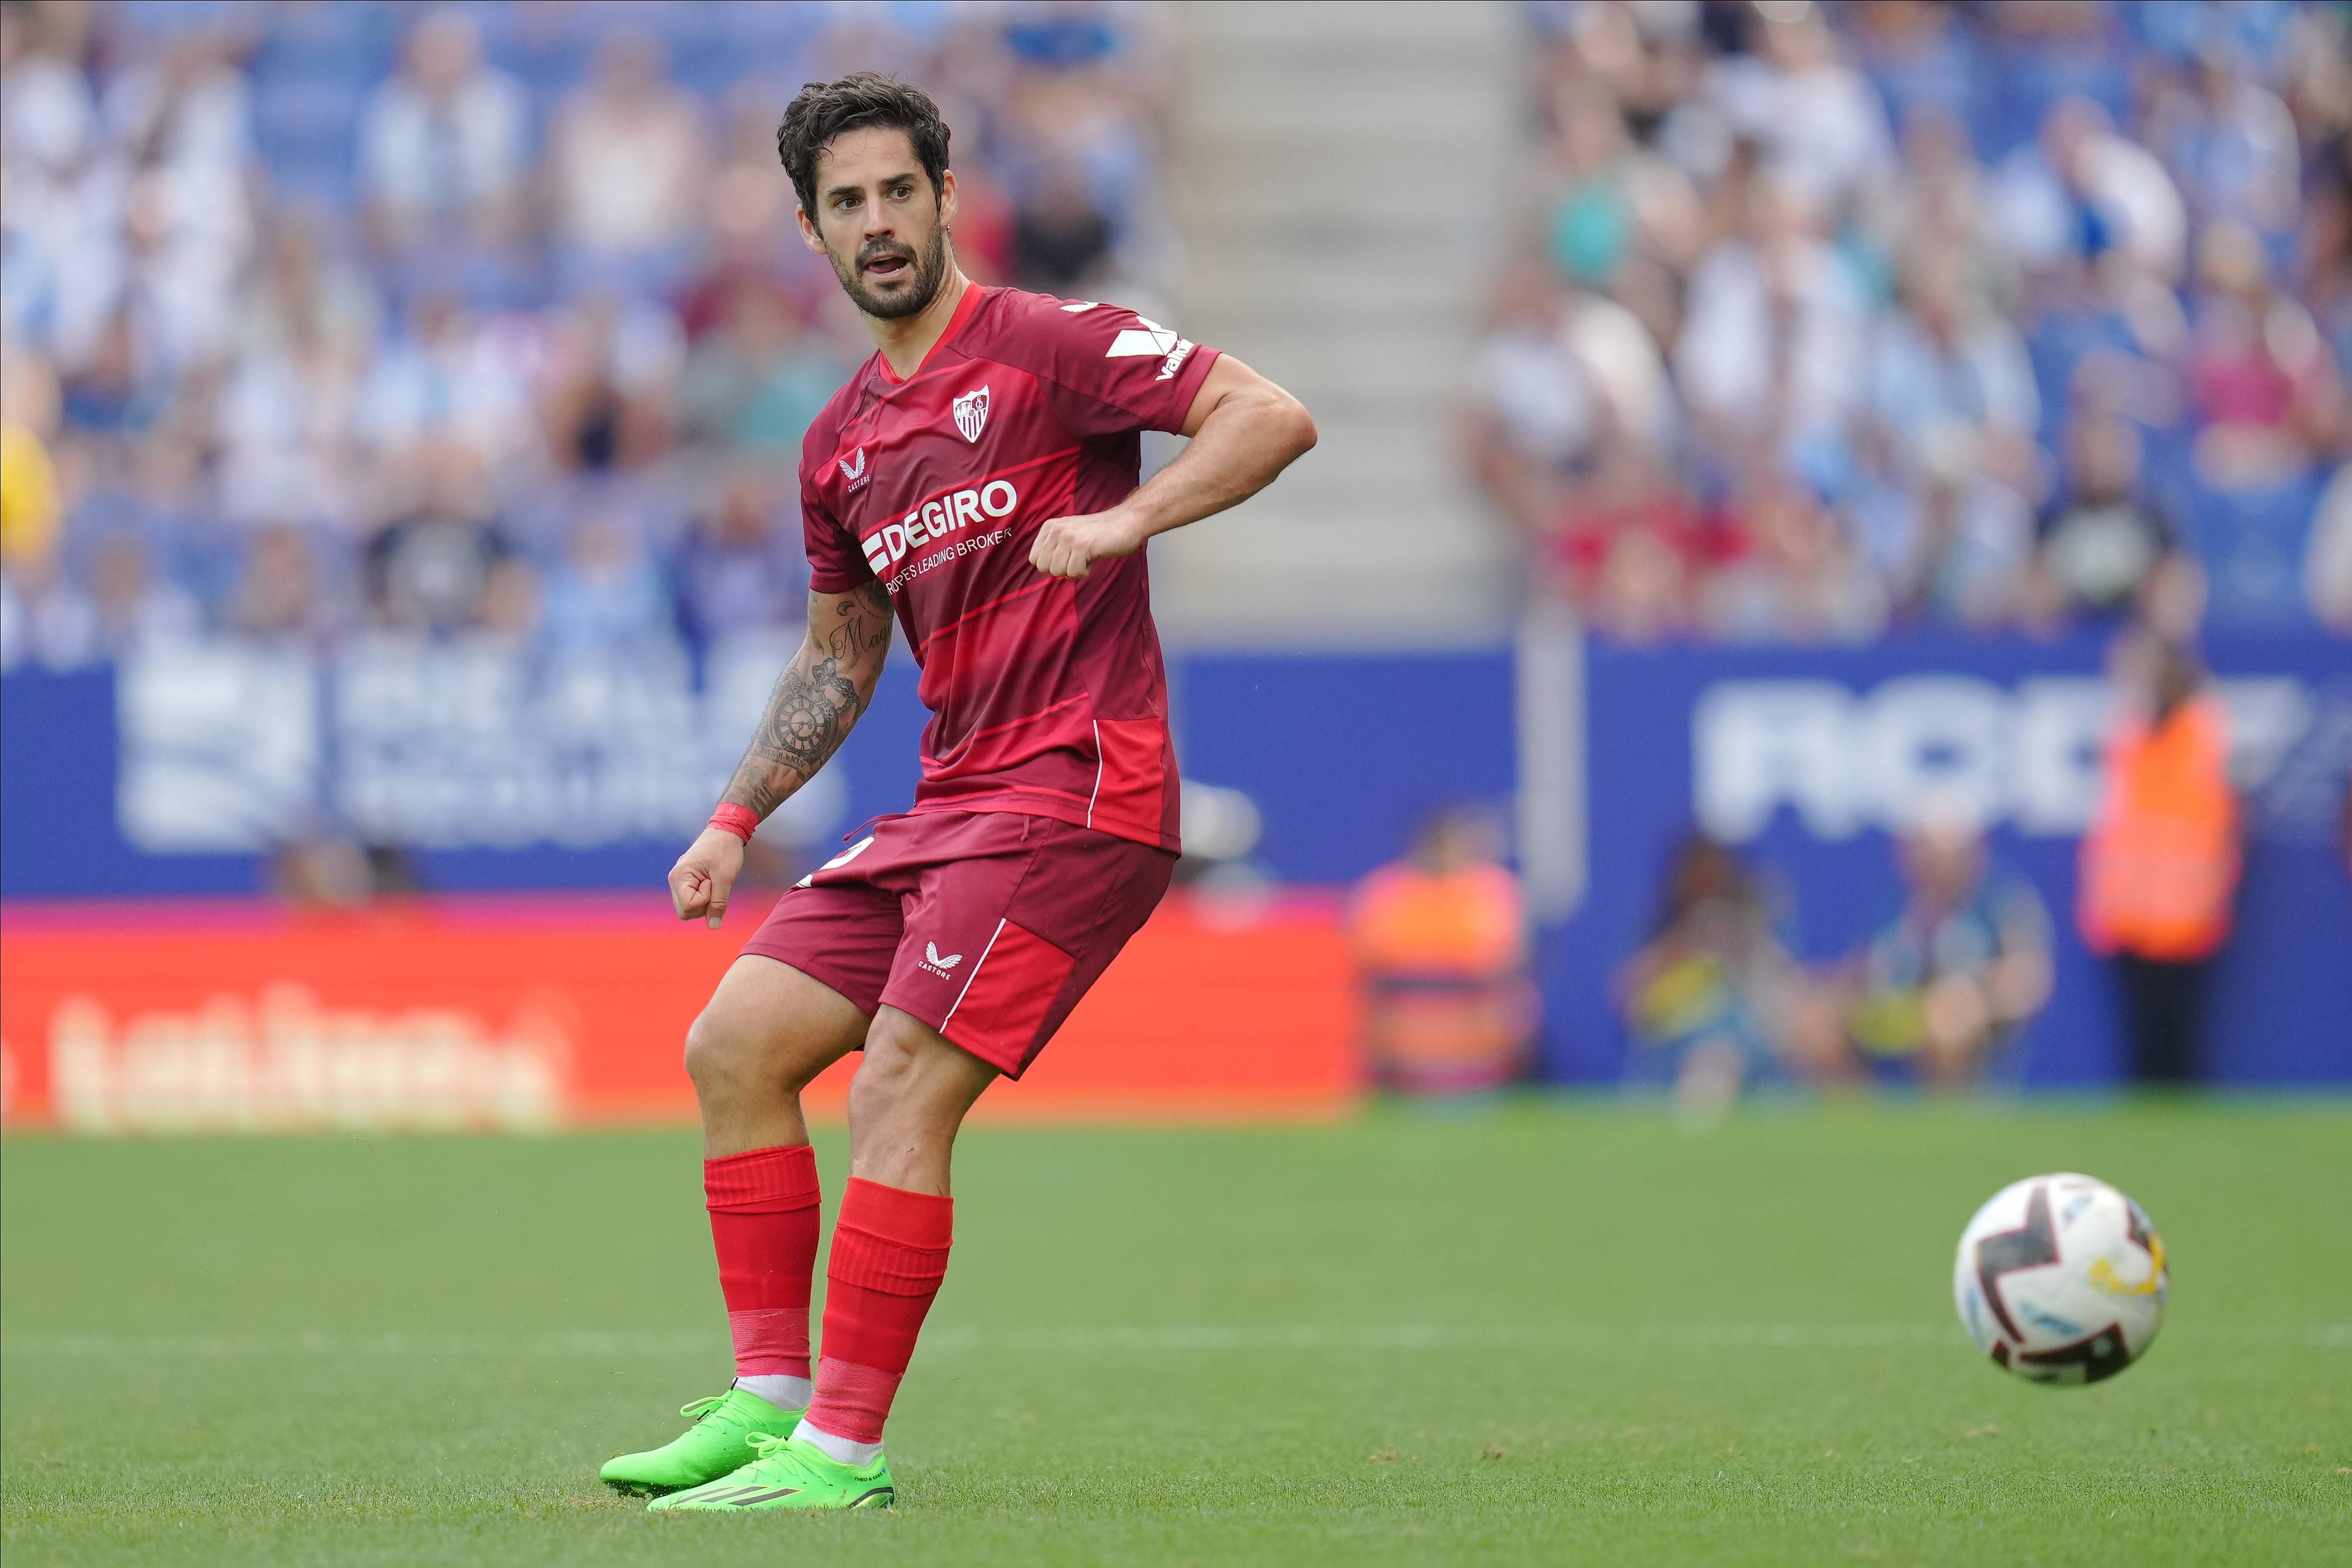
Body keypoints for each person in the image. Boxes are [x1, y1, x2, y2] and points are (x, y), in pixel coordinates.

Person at [596, 73, 1315, 1512]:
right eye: (845, 204)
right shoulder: (838, 445)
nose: (877, 223)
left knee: (899, 1088)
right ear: (811, 231)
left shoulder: (1051, 344)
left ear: (942, 197)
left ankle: (841, 1460)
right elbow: (838, 654)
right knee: (733, 1047)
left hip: (1077, 786)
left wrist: (1125, 518)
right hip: (950, 802)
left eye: (897, 193)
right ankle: (767, 1402)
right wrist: (732, 818)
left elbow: (1268, 414)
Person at [2077, 628, 2240, 1085]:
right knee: (2141, 1038)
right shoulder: (2129, 731)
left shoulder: (2203, 728)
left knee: (2179, 1035)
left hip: (2186, 915)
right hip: (2130, 914)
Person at [1844, 793, 2053, 1088]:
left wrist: (1975, 996)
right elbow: (1860, 967)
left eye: (1942, 854)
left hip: (1972, 1022)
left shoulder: (2001, 902)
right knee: (1821, 1024)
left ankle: (1950, 1124)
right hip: (1898, 1011)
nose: (1933, 864)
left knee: (1949, 1021)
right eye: (1924, 852)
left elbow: (2028, 979)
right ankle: (1855, 1126)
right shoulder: (1893, 905)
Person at [1347, 806, 1534, 1098]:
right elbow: (1371, 961)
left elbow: (1500, 961)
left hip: (1477, 1037)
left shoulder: (1491, 890)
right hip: (1400, 1040)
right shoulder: (1387, 892)